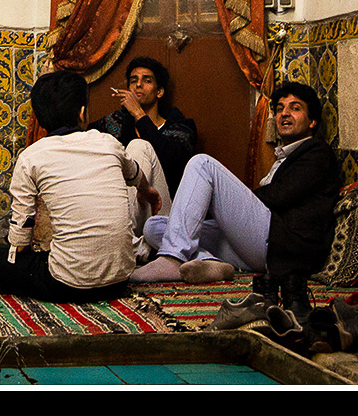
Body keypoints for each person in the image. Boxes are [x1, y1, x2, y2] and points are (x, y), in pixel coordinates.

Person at [0, 70, 162, 302]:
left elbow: (20, 241)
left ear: (41, 120)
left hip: (66, 286)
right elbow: (135, 174)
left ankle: (3, 281)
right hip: (119, 281)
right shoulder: (108, 143)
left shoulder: (31, 156)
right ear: (82, 113)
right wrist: (148, 192)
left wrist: (12, 263)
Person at [128, 81, 341, 307]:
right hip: (256, 250)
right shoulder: (285, 157)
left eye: (295, 108)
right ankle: (212, 263)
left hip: (282, 246)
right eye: (279, 109)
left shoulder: (317, 153)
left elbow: (280, 196)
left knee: (203, 165)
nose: (284, 114)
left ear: (313, 121)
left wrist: (224, 204)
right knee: (154, 227)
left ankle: (172, 258)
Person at [89, 56, 197, 196]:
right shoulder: (118, 122)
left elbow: (169, 161)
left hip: (165, 203)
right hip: (124, 201)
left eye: (147, 80)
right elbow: (86, 136)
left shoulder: (180, 127)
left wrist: (138, 113)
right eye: (134, 81)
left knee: (138, 146)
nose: (138, 85)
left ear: (159, 91)